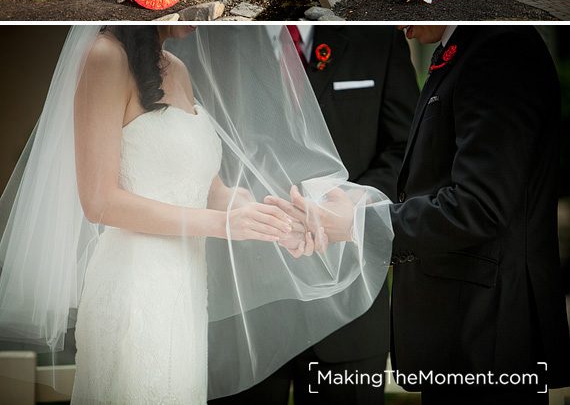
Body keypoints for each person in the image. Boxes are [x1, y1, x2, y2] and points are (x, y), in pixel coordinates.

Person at [0, 25, 393, 405]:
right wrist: (221, 225)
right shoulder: (105, 56)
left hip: (187, 286)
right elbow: (99, 201)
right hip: (134, 284)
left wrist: (279, 220)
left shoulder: (178, 68)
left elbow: (212, 190)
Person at [276, 25, 570, 404]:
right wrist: (362, 203)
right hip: (460, 329)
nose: (397, 23)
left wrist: (359, 224)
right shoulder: (465, 47)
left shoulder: (500, 48)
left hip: (490, 332)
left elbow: (481, 205)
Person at [218, 24, 419, 405]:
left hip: (348, 302)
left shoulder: (377, 37)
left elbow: (405, 149)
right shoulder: (217, 38)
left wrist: (344, 203)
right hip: (248, 304)